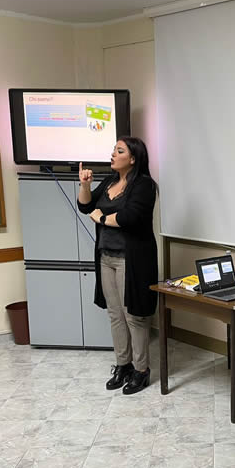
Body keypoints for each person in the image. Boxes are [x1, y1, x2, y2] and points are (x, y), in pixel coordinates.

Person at [77, 137, 158, 395]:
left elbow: (129, 217)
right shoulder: (110, 182)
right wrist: (85, 185)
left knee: (134, 315)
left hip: (131, 260)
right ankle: (123, 365)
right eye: (114, 149)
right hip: (106, 257)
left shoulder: (144, 185)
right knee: (115, 314)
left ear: (133, 158)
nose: (113, 154)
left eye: (119, 150)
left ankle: (141, 370)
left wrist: (102, 218)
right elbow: (85, 206)